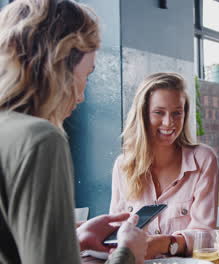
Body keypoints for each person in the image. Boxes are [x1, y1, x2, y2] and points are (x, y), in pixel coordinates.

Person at [0, 1, 147, 264]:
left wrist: (73, 239)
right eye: (87, 74)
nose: (81, 96)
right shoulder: (40, 140)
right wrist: (127, 253)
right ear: (59, 66)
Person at [110, 72, 219, 258]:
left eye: (177, 113)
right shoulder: (123, 166)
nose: (169, 122)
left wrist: (164, 244)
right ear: (143, 114)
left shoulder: (203, 160)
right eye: (159, 112)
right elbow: (114, 230)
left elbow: (205, 236)